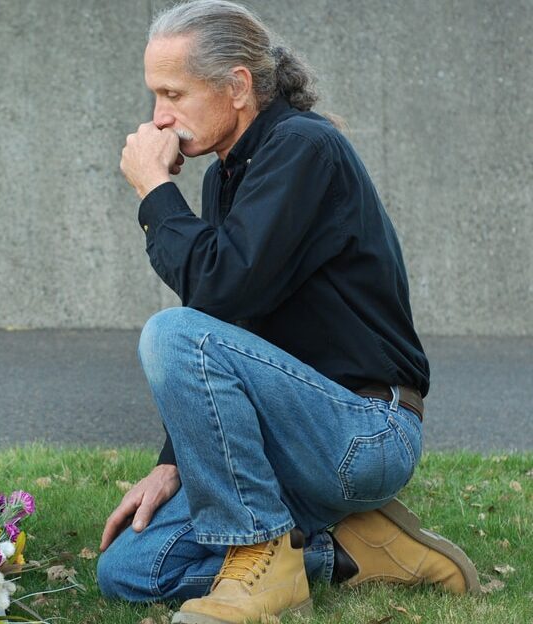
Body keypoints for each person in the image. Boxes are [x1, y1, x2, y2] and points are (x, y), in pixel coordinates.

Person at [95, 2, 479, 623]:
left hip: (364, 432)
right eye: (154, 96)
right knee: (130, 571)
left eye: (172, 93)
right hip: (292, 437)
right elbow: (226, 327)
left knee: (171, 332)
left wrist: (156, 195)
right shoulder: (226, 174)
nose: (159, 117)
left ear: (238, 86)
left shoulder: (304, 148)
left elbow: (219, 293)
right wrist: (172, 463)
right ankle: (351, 552)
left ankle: (263, 559)